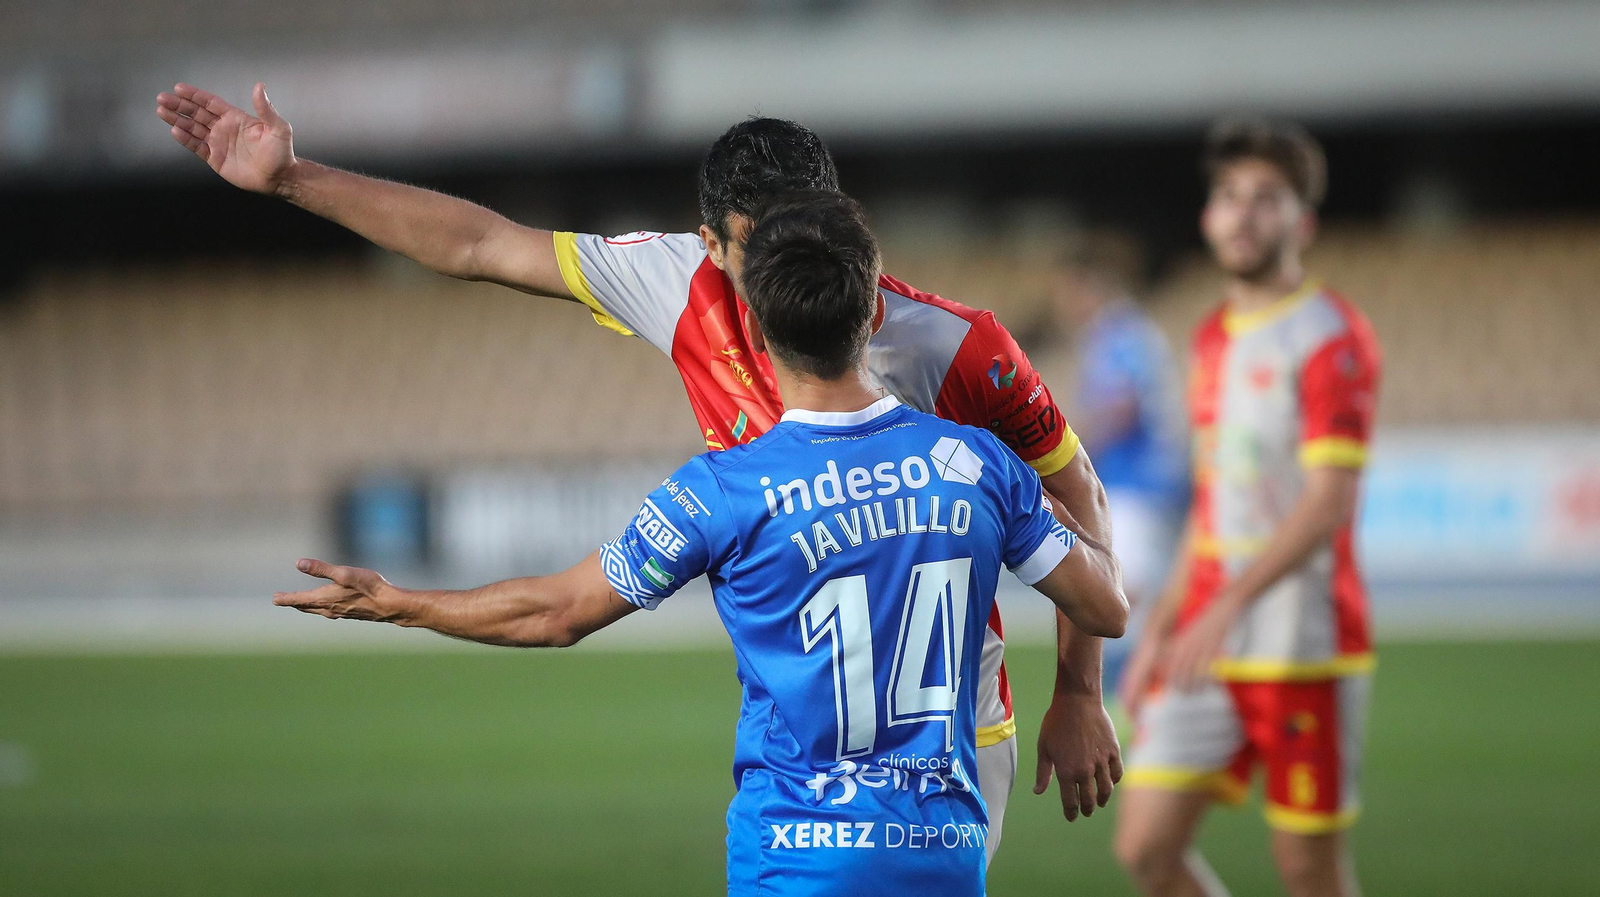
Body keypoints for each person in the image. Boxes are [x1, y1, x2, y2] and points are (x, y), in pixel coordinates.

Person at [155, 83, 1125, 850]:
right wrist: (293, 180)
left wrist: (1079, 692)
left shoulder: (956, 346)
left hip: (946, 729)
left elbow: (1076, 489)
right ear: (710, 244)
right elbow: (482, 243)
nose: (788, 257)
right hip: (795, 727)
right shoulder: (675, 281)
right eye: (759, 245)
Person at [1114, 119, 1382, 897]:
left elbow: (1328, 504)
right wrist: (1162, 624)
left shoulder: (1331, 337)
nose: (1243, 214)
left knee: (1307, 868)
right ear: (1208, 217)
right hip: (1205, 637)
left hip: (1303, 642)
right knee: (1146, 847)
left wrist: (1226, 604)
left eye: (1267, 198)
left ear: (1304, 222)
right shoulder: (1209, 339)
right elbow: (1213, 500)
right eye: (1229, 196)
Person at [1048, 236, 1188, 692]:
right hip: (1148, 489)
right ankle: (1139, 699)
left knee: (1119, 604)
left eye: (1070, 291)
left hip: (1137, 489)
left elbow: (1121, 409)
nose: (1065, 303)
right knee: (1135, 603)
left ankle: (1127, 702)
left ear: (1090, 287)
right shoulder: (1128, 333)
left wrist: (1063, 452)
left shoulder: (1118, 335)